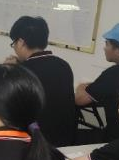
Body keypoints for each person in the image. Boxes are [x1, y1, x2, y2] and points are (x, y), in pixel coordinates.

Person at [6, 15, 77, 146]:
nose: (14, 48)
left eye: (14, 43)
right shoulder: (63, 65)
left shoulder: (21, 72)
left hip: (33, 144)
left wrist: (8, 71)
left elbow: (7, 106)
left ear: (21, 42)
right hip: (64, 140)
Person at [75, 22, 119, 141]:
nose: (104, 48)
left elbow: (80, 100)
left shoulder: (114, 73)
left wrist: (81, 86)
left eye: (107, 44)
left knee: (84, 110)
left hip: (115, 135)